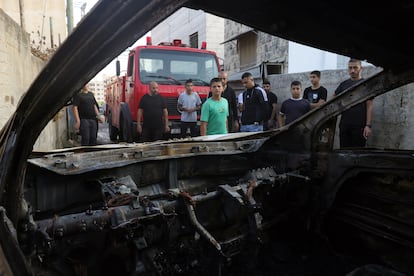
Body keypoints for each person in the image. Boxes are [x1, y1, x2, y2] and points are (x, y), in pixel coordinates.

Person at [333, 58, 373, 148]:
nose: (352, 70)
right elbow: (334, 99)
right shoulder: (343, 84)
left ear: (361, 68)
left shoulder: (365, 84)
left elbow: (369, 106)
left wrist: (368, 125)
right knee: (343, 151)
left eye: (355, 67)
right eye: (350, 68)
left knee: (357, 153)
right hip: (344, 124)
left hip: (360, 125)